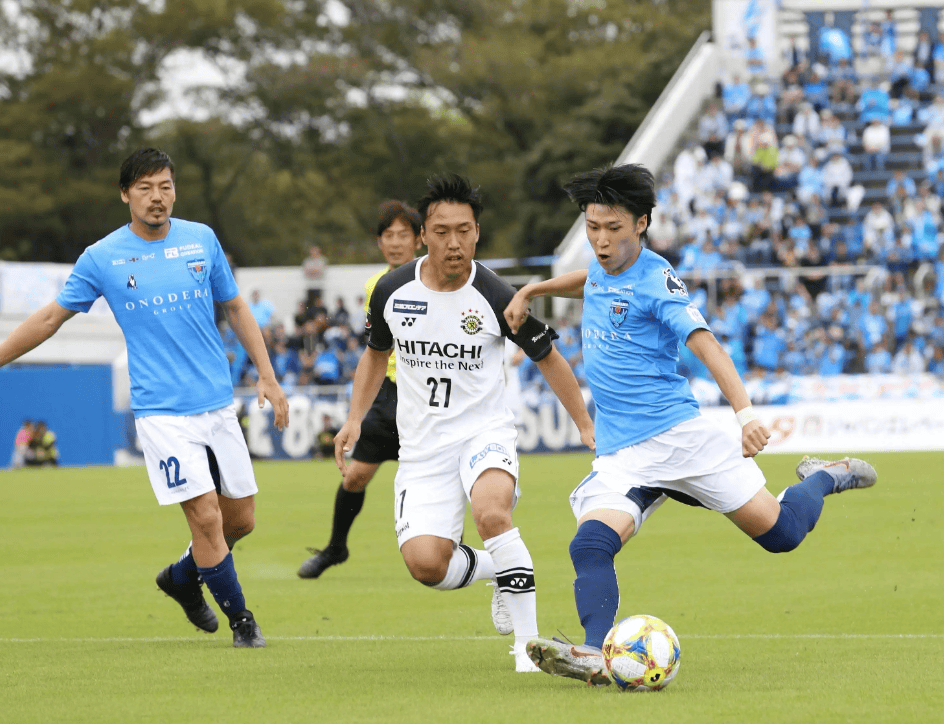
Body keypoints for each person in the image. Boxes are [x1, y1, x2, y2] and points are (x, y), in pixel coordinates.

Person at [504, 164, 877, 686]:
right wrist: (533, 290)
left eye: (613, 228)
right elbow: (585, 281)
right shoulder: (598, 267)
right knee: (589, 545)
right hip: (622, 454)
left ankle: (823, 475)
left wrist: (745, 415)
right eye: (592, 227)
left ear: (642, 223)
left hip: (682, 441)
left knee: (783, 535)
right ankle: (591, 652)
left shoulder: (657, 281)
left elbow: (705, 344)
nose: (601, 240)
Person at [0, 148, 289, 648]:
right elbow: (50, 319)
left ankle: (181, 578)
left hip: (218, 404)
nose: (158, 198)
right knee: (205, 517)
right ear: (125, 195)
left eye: (166, 187)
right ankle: (243, 622)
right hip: (161, 413)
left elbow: (236, 306)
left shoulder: (201, 240)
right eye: (146, 189)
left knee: (240, 520)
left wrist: (267, 375)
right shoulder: (102, 257)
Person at [332, 174, 594, 673]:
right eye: (442, 230)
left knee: (492, 514)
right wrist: (353, 420)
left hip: (484, 434)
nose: (454, 242)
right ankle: (501, 569)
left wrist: (584, 423)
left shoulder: (496, 294)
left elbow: (547, 356)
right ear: (423, 235)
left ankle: (528, 649)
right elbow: (374, 355)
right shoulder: (391, 290)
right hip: (423, 450)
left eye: (464, 231)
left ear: (478, 234)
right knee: (426, 565)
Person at [297, 200, 423, 579]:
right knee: (354, 477)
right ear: (379, 242)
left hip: (427, 396)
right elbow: (374, 350)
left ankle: (452, 548)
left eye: (404, 234)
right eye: (389, 235)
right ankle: (336, 547)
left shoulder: (436, 278)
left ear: (419, 239)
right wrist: (356, 413)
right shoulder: (376, 286)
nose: (397, 242)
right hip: (387, 394)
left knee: (436, 478)